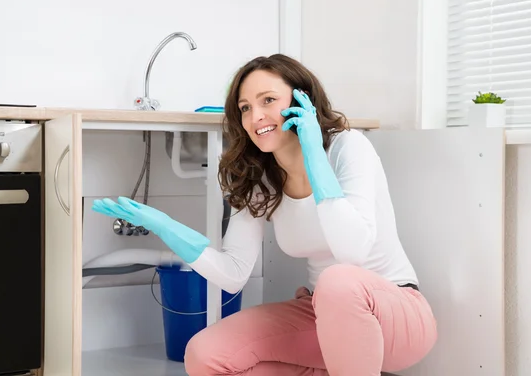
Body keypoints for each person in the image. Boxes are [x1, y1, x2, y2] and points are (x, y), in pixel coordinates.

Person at [92, 54, 438, 375]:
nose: (255, 117)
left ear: (303, 101)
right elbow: (232, 273)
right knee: (205, 354)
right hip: (320, 318)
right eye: (245, 107)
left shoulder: (349, 147)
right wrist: (164, 225)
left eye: (268, 100)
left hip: (395, 317)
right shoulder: (262, 178)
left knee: (338, 279)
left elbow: (353, 252)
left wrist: (314, 155)